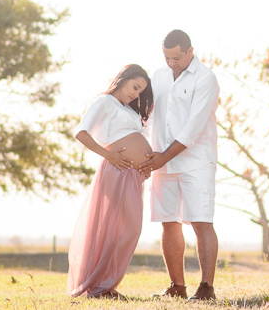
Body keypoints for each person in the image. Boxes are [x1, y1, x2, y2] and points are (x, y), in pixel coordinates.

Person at [138, 29, 221, 301]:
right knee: (168, 222)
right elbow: (148, 116)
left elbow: (193, 129)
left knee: (200, 221)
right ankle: (177, 286)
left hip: (196, 162)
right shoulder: (158, 75)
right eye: (167, 57)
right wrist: (147, 154)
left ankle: (206, 287)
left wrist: (162, 157)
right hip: (162, 161)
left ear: (189, 51)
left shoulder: (206, 78)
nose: (171, 63)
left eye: (176, 57)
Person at [66, 64, 154, 299]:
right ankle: (100, 286)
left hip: (132, 176)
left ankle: (105, 285)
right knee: (114, 229)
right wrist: (110, 156)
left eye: (140, 91)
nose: (136, 94)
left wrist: (144, 165)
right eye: (135, 87)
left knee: (128, 229)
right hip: (116, 170)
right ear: (123, 79)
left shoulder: (130, 110)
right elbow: (81, 133)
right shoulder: (104, 102)